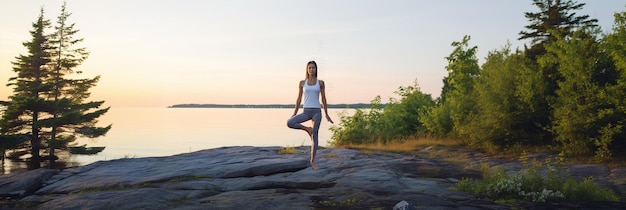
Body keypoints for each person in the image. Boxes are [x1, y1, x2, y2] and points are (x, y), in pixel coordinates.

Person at [287, 60, 333, 170]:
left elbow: (324, 98)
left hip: (317, 111)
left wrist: (326, 113)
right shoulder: (302, 83)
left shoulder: (320, 83)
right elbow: (298, 99)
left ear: (316, 69)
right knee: (290, 122)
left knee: (315, 136)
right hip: (306, 112)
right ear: (307, 70)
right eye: (310, 68)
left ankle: (312, 161)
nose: (312, 69)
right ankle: (307, 129)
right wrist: (294, 113)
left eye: (313, 68)